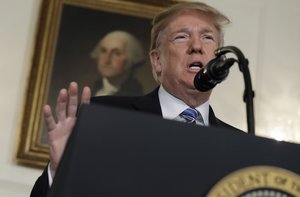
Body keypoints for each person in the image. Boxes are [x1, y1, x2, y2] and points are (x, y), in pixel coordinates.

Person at [30, 2, 242, 196]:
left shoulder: (238, 147)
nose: (196, 46)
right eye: (181, 37)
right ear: (157, 60)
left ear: (220, 61)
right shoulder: (104, 119)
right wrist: (59, 170)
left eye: (207, 37)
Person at [90, 30, 145, 96]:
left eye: (116, 53)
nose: (107, 59)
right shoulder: (95, 88)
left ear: (130, 60)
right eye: (104, 51)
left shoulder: (134, 95)